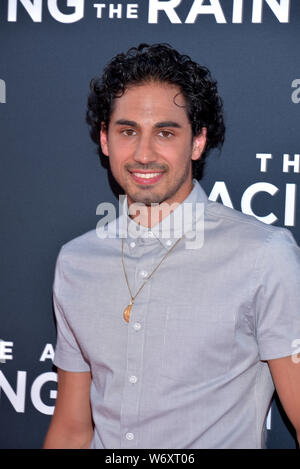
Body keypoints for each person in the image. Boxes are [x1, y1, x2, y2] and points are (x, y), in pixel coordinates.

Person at [43, 43, 300, 449]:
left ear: (197, 142)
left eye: (165, 132)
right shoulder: (77, 262)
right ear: (105, 140)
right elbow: (72, 429)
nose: (143, 154)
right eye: (128, 131)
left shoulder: (263, 255)